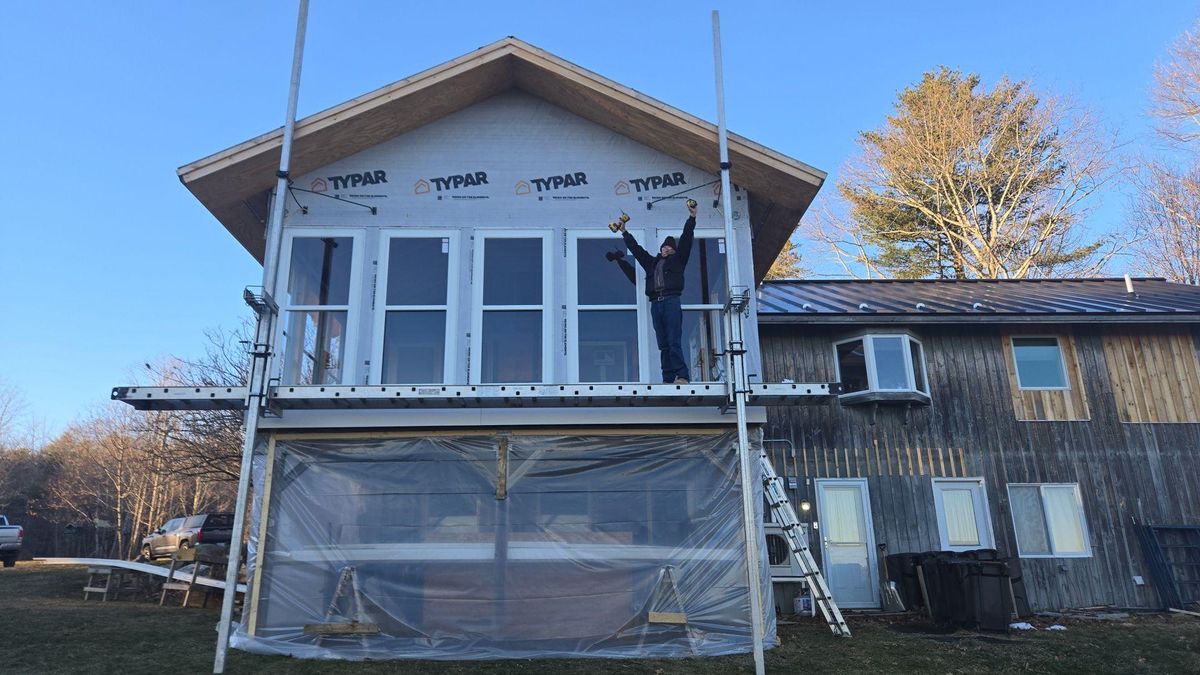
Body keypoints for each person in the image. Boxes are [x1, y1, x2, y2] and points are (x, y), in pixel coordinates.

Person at [615, 200, 698, 383]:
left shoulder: (678, 261)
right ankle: (668, 378)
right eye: (664, 246)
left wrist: (691, 217)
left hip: (671, 301)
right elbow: (636, 250)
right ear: (660, 249)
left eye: (670, 247)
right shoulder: (652, 262)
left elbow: (686, 239)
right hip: (656, 303)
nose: (667, 248)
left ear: (674, 251)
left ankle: (682, 376)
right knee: (663, 343)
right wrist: (624, 232)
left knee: (674, 340)